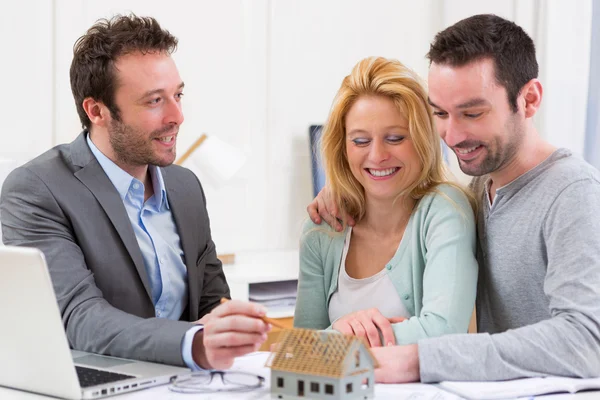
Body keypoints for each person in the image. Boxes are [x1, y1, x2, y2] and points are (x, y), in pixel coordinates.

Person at [308, 14, 600, 382]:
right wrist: (347, 187)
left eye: (472, 113)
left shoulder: (574, 193)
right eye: (441, 113)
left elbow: (588, 342)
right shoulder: (479, 190)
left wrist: (420, 359)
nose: (453, 134)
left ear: (528, 100)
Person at [0, 15, 270, 371]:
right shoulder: (38, 189)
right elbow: (80, 317)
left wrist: (229, 328)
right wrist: (194, 343)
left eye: (178, 95)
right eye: (155, 101)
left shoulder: (184, 186)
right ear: (97, 111)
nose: (177, 116)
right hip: (97, 384)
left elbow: (211, 302)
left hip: (189, 385)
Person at [295, 57, 478, 348]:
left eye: (394, 138)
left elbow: (443, 332)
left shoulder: (445, 210)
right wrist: (333, 337)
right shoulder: (321, 230)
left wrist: (341, 336)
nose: (377, 155)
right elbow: (301, 349)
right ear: (342, 148)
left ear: (422, 140)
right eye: (360, 141)